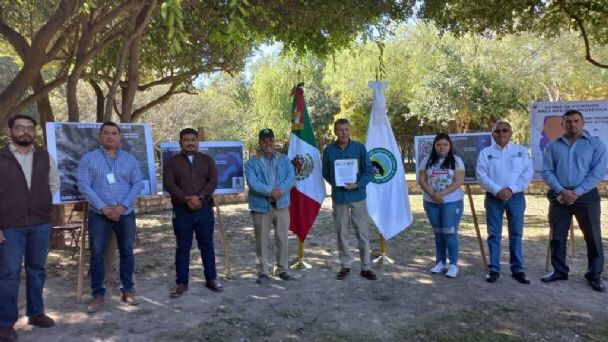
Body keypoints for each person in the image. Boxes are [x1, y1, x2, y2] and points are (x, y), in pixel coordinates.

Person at [0, 114, 61, 342]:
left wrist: (41, 201)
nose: (25, 132)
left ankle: (36, 313)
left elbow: (54, 182)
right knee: (8, 274)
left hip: (40, 223)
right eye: (20, 128)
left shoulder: (44, 156)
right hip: (9, 225)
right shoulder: (2, 157)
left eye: (29, 128)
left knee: (37, 270)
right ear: (10, 132)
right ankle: (5, 323)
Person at [77, 121, 144, 312]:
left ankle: (128, 290)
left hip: (126, 213)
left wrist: (122, 206)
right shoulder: (88, 159)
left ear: (119, 136)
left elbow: (137, 184)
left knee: (127, 251)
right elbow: (84, 186)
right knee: (97, 254)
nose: (110, 136)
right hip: (99, 214)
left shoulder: (130, 160)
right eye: (106, 133)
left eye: (114, 133)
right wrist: (104, 208)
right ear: (100, 136)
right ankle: (98, 294)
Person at [541, 109, 607, 292]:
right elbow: (547, 171)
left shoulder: (595, 145)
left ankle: (594, 275)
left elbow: (598, 173)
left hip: (586, 196)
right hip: (559, 196)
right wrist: (562, 191)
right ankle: (559, 271)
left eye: (576, 121)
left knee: (593, 237)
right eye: (568, 121)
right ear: (563, 124)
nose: (573, 124)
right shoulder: (552, 146)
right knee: (557, 237)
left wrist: (576, 192)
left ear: (583, 122)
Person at [163, 128, 222, 296]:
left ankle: (211, 279)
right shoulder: (172, 162)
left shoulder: (207, 160)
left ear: (198, 142)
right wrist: (187, 199)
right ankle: (181, 283)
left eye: (193, 139)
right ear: (180, 143)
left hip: (204, 210)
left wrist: (200, 197)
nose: (190, 142)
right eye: (186, 140)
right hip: (182, 211)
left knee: (207, 246)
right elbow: (170, 184)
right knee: (183, 247)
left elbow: (213, 181)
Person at [476, 121, 533, 284]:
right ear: (492, 134)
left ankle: (518, 269)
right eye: (497, 131)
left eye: (505, 130)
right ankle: (494, 268)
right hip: (494, 198)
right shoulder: (485, 153)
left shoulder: (521, 151)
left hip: (516, 197)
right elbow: (481, 175)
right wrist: (497, 190)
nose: (501, 133)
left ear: (511, 133)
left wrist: (511, 189)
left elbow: (527, 174)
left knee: (516, 233)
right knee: (494, 234)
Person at [322, 119, 377, 281]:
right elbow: (326, 172)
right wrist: (338, 182)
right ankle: (345, 265)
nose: (343, 133)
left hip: (357, 195)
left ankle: (366, 267)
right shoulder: (329, 150)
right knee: (341, 231)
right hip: (339, 197)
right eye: (340, 130)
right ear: (335, 132)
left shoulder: (359, 148)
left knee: (362, 231)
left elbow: (369, 171)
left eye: (346, 129)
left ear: (350, 130)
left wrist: (357, 184)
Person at [245, 128, 295, 284]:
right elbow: (253, 183)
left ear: (275, 141)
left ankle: (283, 269)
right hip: (261, 206)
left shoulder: (284, 159)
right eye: (265, 141)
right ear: (259, 143)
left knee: (282, 239)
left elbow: (290, 178)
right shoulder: (251, 163)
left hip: (281, 205)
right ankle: (263, 272)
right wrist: (270, 191)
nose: (268, 143)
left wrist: (280, 191)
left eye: (271, 140)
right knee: (262, 240)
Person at [418, 133, 465, 278]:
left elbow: (458, 181)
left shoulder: (456, 161)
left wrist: (442, 194)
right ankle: (441, 262)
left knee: (449, 232)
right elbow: (422, 180)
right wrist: (433, 195)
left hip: (451, 202)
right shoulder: (427, 161)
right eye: (438, 144)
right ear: (434, 146)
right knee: (438, 233)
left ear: (450, 146)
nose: (442, 147)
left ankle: (453, 264)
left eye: (445, 144)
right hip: (431, 202)